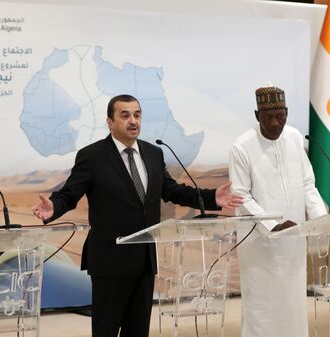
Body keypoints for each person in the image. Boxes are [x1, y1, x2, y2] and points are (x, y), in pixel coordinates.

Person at [32, 94, 243, 337]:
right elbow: (70, 194)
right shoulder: (93, 156)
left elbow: (172, 190)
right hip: (110, 261)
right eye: (125, 115)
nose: (133, 121)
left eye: (137, 115)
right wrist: (53, 208)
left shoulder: (153, 153)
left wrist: (210, 198)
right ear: (110, 122)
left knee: (138, 330)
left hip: (144, 260)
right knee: (106, 330)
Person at [229, 86, 327, 337]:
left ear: (286, 112)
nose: (274, 123)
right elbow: (241, 196)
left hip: (293, 239)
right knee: (262, 306)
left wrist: (319, 219)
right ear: (256, 115)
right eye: (267, 117)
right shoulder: (241, 146)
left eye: (279, 116)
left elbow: (307, 183)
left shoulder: (294, 137)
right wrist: (272, 225)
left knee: (292, 304)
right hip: (258, 243)